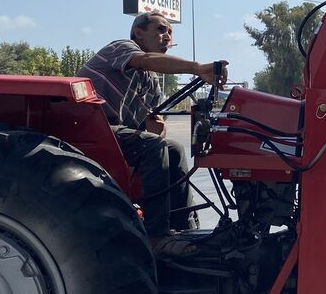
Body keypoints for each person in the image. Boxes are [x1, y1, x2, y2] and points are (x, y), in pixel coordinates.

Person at [77, 13, 228, 236]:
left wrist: (155, 127)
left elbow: (148, 124)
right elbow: (146, 60)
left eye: (170, 32)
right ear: (138, 32)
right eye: (160, 29)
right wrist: (197, 68)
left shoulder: (150, 81)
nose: (167, 36)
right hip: (90, 128)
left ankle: (184, 228)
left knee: (173, 148)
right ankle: (157, 235)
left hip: (114, 133)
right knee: (154, 146)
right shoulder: (120, 48)